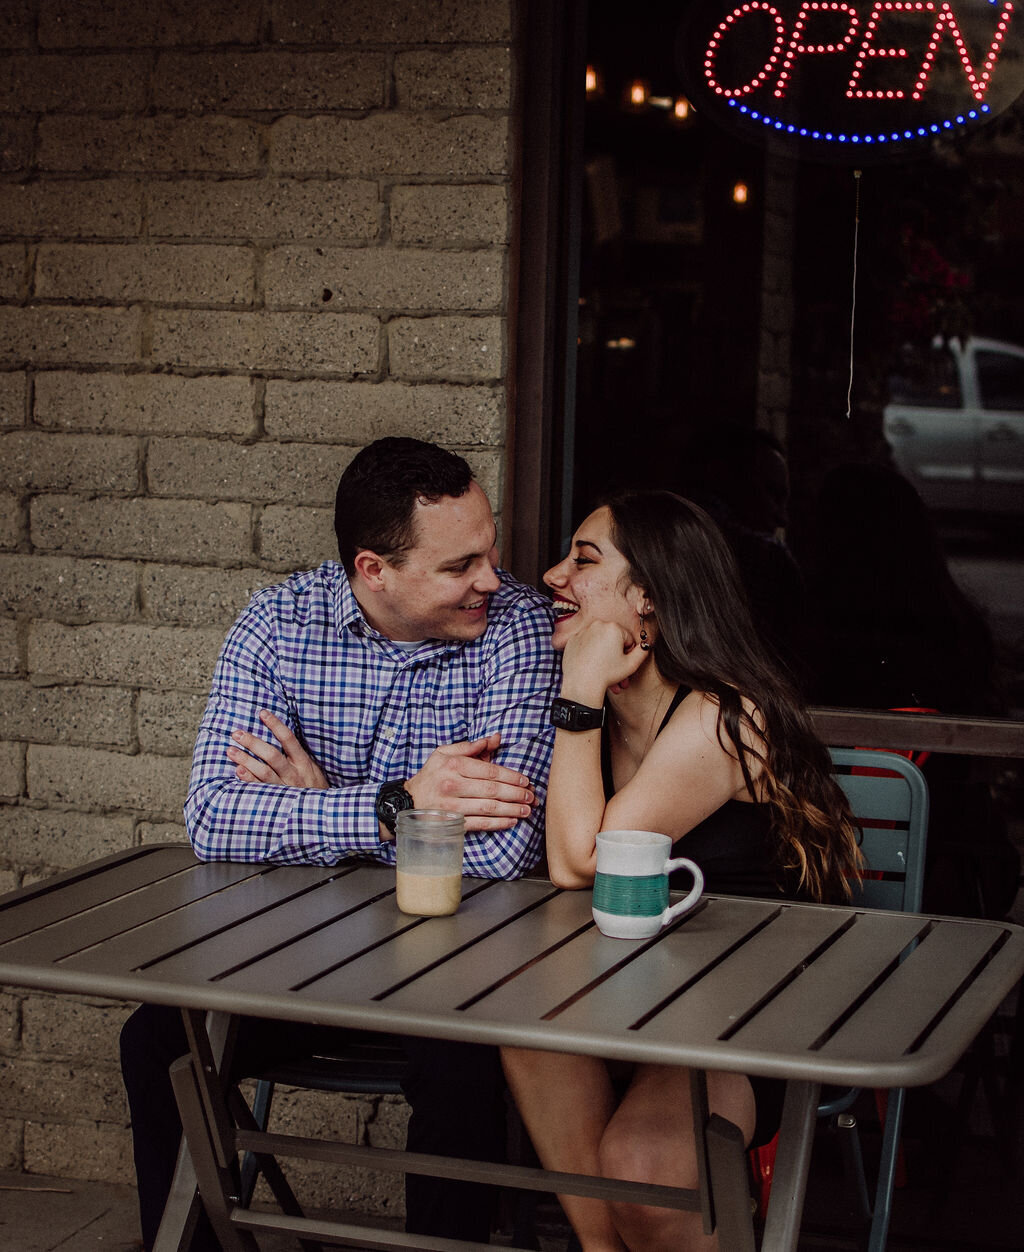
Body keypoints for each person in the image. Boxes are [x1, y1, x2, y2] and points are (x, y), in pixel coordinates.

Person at [120, 437, 560, 1249]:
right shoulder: (277, 624)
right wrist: (397, 808)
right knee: (157, 1037)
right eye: (461, 565)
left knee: (464, 1064)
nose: (492, 579)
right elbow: (215, 817)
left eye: (490, 549)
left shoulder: (515, 631)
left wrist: (321, 802)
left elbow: (507, 852)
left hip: (445, 968)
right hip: (294, 964)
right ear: (374, 569)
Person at [500, 489, 862, 1252]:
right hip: (634, 994)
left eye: (583, 561)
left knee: (644, 1162)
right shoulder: (597, 714)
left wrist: (578, 692)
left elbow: (579, 864)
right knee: (528, 1032)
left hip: (744, 1013)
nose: (551, 574)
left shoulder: (723, 717)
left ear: (652, 601)